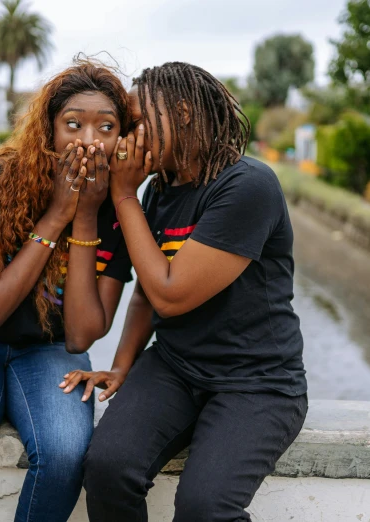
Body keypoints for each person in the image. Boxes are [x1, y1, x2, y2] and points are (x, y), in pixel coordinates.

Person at [60, 62, 308, 521]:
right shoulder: (157, 192)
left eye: (138, 121)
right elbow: (145, 295)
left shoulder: (247, 186)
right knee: (107, 468)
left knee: (204, 507)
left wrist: (122, 195)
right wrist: (122, 365)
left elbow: (171, 294)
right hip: (176, 367)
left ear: (184, 112)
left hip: (257, 382)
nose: (130, 135)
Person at [0, 60, 133, 522]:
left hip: (49, 350)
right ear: (50, 129)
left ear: (121, 137)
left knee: (67, 456)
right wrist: (56, 214)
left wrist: (87, 215)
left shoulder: (121, 208)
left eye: (106, 127)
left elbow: (78, 337)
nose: (89, 140)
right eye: (73, 124)